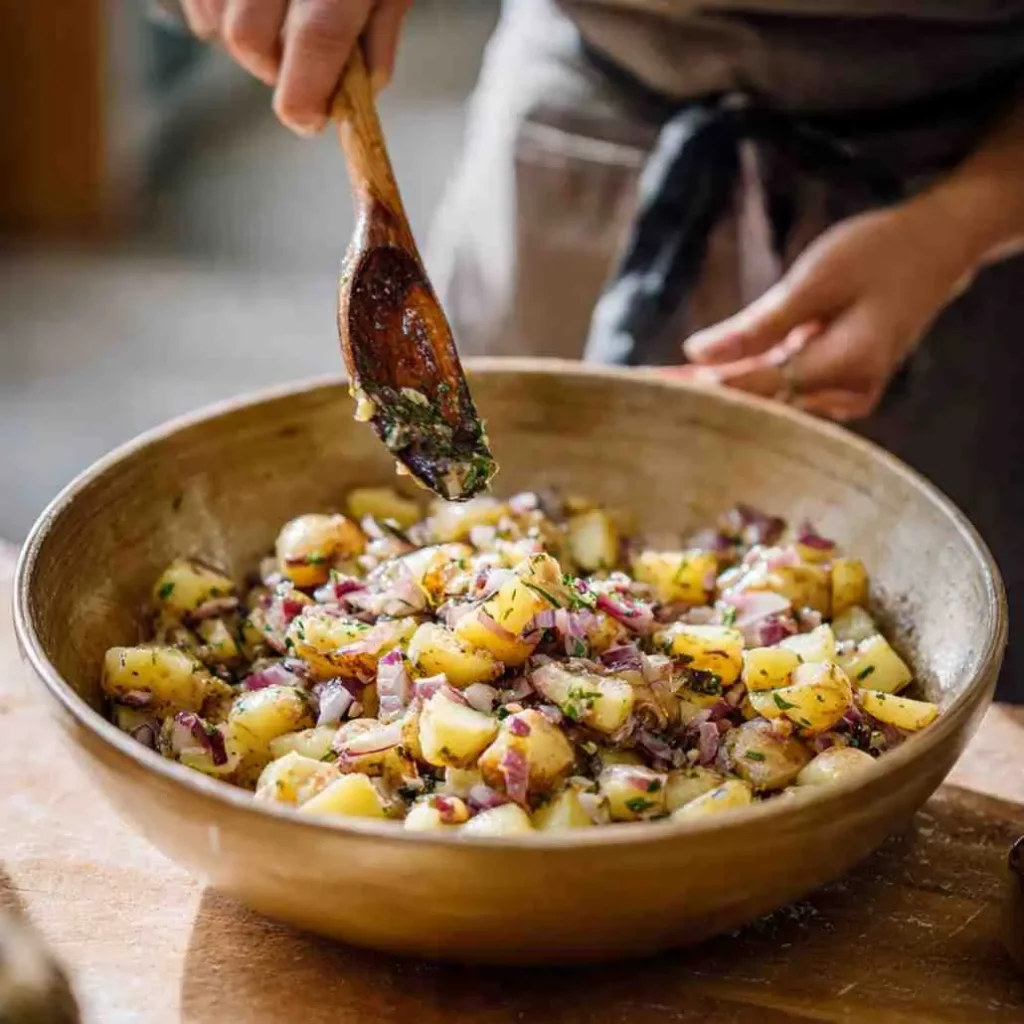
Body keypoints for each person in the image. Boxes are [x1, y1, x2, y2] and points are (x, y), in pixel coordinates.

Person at [178, 0, 1024, 698]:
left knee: (964, 664)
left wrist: (956, 228)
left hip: (966, 177)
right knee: (493, 499)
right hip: (580, 116)